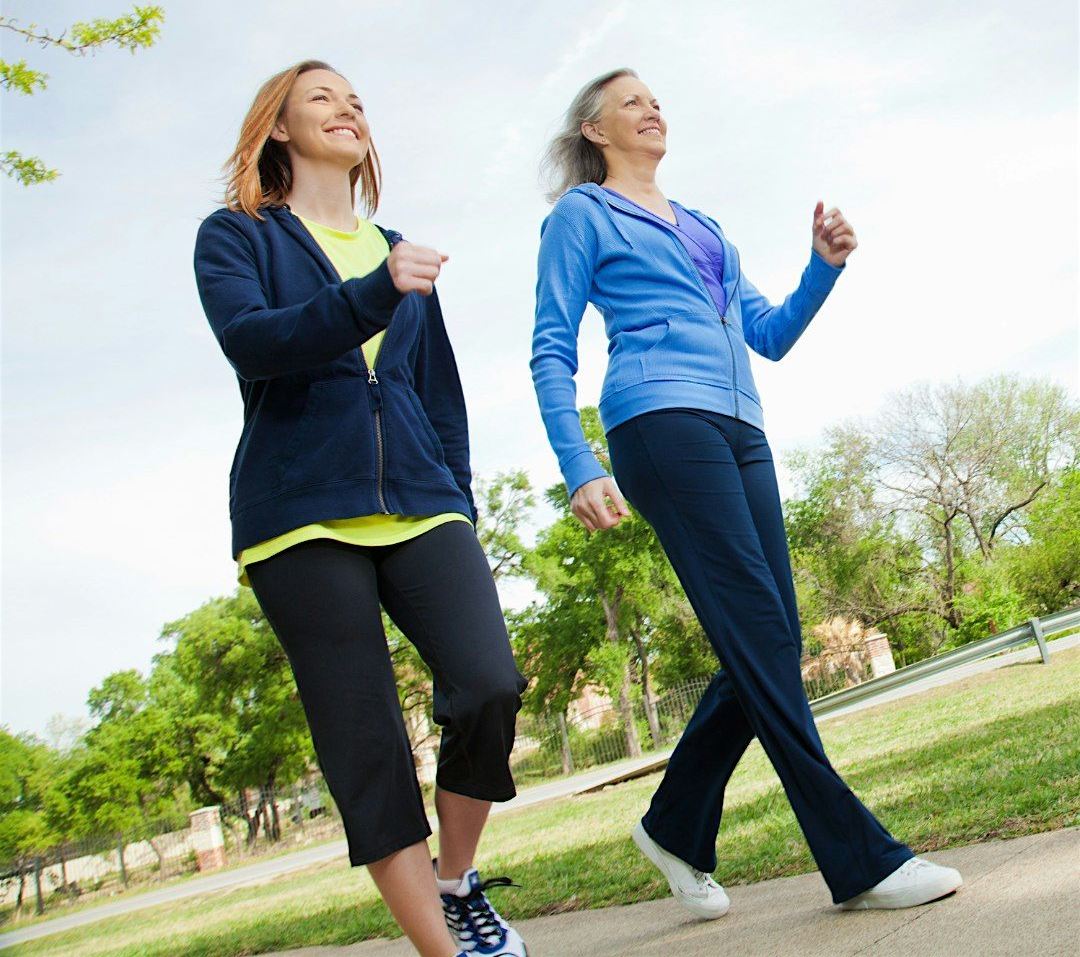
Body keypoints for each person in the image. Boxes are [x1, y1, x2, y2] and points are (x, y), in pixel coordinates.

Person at [530, 67, 963, 917]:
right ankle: (861, 859)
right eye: (631, 102)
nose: (652, 109)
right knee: (762, 634)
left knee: (772, 639)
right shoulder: (582, 215)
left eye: (656, 99)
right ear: (594, 130)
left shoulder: (706, 229)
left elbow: (768, 334)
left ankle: (674, 825)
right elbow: (551, 345)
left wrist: (822, 268)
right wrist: (579, 463)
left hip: (741, 426)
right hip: (659, 421)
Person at [194, 59, 528, 957]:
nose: (347, 108)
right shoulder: (237, 236)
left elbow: (436, 391)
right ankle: (444, 951)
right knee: (366, 742)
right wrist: (373, 291)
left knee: (489, 685)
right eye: (322, 97)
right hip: (299, 518)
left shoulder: (396, 244)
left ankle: (456, 881)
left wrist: (458, 500)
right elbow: (253, 342)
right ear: (278, 127)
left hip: (421, 504)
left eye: (356, 101)